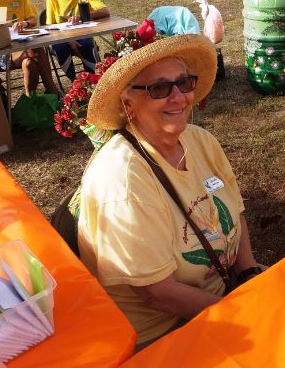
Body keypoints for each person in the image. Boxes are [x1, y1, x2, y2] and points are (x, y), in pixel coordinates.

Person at [78, 34, 262, 348]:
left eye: (184, 83)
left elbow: (236, 212)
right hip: (162, 331)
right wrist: (237, 314)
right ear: (128, 103)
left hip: (222, 293)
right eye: (159, 88)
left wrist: (248, 274)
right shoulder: (123, 181)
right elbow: (155, 292)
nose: (178, 97)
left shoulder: (200, 141)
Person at [46, 0, 109, 81]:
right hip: (61, 36)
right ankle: (74, 82)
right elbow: (50, 25)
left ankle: (92, 79)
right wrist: (69, 40)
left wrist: (82, 17)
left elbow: (105, 11)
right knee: (60, 48)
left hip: (83, 34)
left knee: (86, 44)